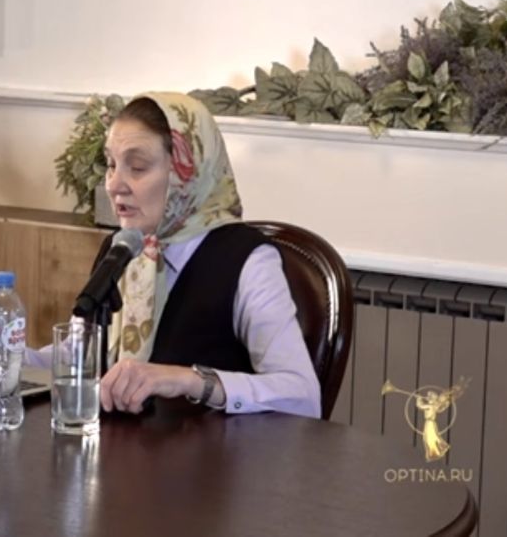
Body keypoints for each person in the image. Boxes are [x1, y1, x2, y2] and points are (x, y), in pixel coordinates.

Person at [30, 92, 320, 418]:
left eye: (137, 167)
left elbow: (304, 395)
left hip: (207, 449)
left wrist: (189, 380)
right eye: (111, 165)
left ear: (186, 173)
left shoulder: (247, 260)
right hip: (121, 447)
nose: (113, 185)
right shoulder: (122, 247)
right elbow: (75, 356)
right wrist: (9, 357)